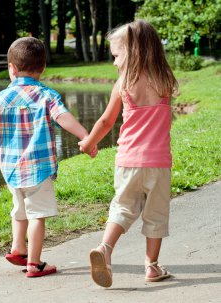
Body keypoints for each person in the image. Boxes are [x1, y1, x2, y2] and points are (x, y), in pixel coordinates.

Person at [0, 37, 89, 278]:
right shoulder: (46, 95)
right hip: (38, 167)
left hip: (11, 169)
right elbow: (63, 117)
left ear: (12, 69)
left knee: (19, 209)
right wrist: (85, 136)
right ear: (43, 68)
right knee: (37, 215)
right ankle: (34, 263)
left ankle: (18, 247)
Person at [79, 20, 178, 288]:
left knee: (122, 208)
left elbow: (106, 122)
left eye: (116, 55)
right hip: (158, 163)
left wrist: (88, 143)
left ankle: (105, 248)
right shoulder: (165, 79)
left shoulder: (124, 82)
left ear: (133, 52)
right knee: (156, 215)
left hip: (128, 161)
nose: (114, 63)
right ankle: (152, 267)